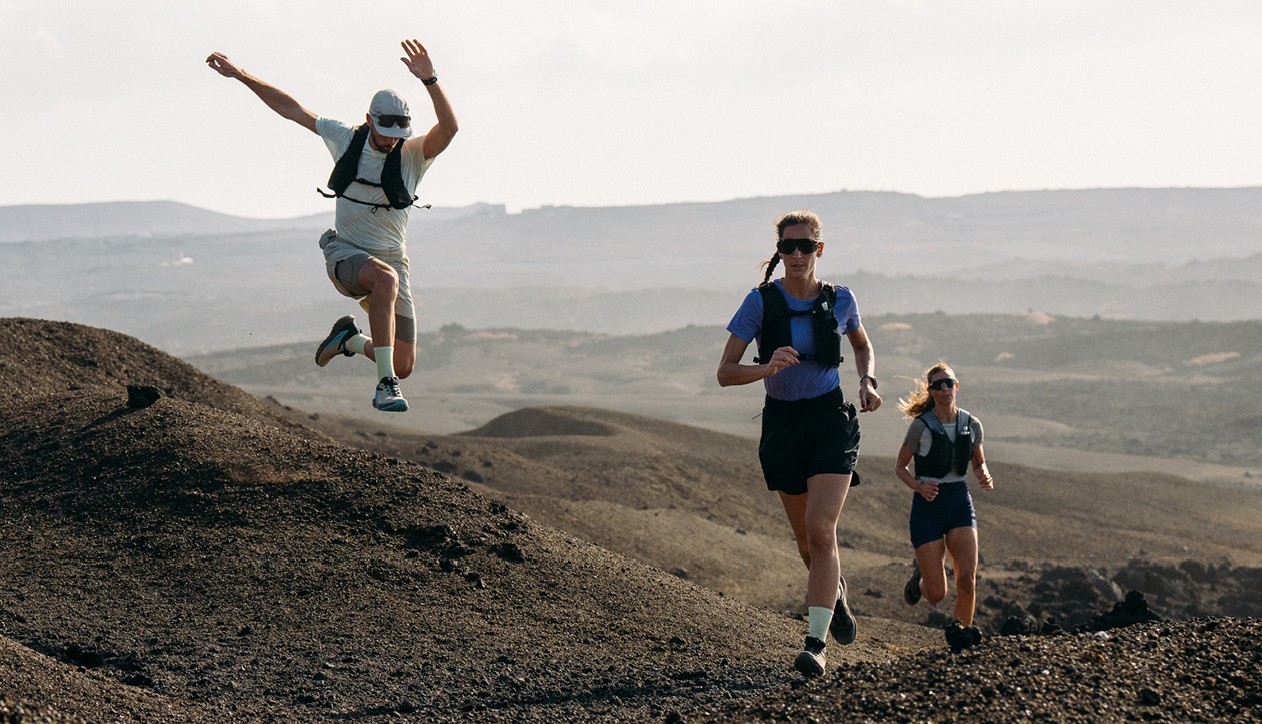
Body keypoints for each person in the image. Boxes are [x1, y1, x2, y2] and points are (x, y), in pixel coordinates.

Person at [206, 39, 458, 412]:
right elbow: (292, 109)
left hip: (394, 262)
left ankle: (349, 339)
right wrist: (241, 75)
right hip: (346, 255)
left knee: (404, 364)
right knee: (384, 280)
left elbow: (450, 128)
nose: (390, 140)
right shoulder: (345, 138)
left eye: (397, 134)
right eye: (384, 130)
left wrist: (431, 80)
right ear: (370, 120)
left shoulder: (413, 155)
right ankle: (384, 386)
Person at [717, 210, 881, 677]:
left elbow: (862, 345)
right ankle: (835, 595)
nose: (795, 255)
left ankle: (815, 644)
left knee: (821, 527)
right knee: (808, 543)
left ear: (819, 250)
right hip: (783, 425)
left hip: (829, 420)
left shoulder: (841, 298)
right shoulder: (760, 303)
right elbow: (725, 372)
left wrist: (867, 380)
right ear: (779, 252)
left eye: (804, 247)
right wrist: (767, 367)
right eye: (787, 247)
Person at [894, 361, 995, 652]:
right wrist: (918, 485)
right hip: (928, 505)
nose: (944, 389)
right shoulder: (921, 427)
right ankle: (922, 575)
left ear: (956, 386)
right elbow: (900, 467)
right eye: (938, 385)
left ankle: (960, 640)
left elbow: (979, 461)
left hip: (959, 501)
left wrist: (983, 474)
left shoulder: (970, 424)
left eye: (948, 383)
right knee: (937, 594)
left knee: (967, 579)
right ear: (931, 391)